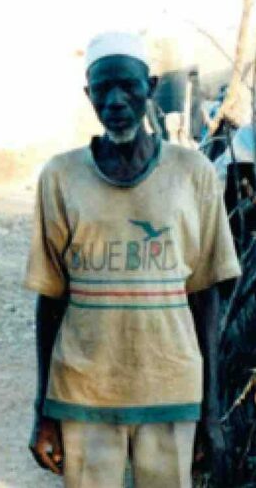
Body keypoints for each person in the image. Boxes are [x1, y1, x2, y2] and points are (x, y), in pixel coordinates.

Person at [25, 31, 241, 487]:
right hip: (83, 391)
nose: (116, 100)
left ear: (151, 87)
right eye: (103, 89)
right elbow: (50, 299)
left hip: (172, 389)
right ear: (89, 95)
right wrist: (42, 410)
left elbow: (205, 295)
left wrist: (211, 411)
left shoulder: (193, 173)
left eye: (128, 85)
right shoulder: (60, 176)